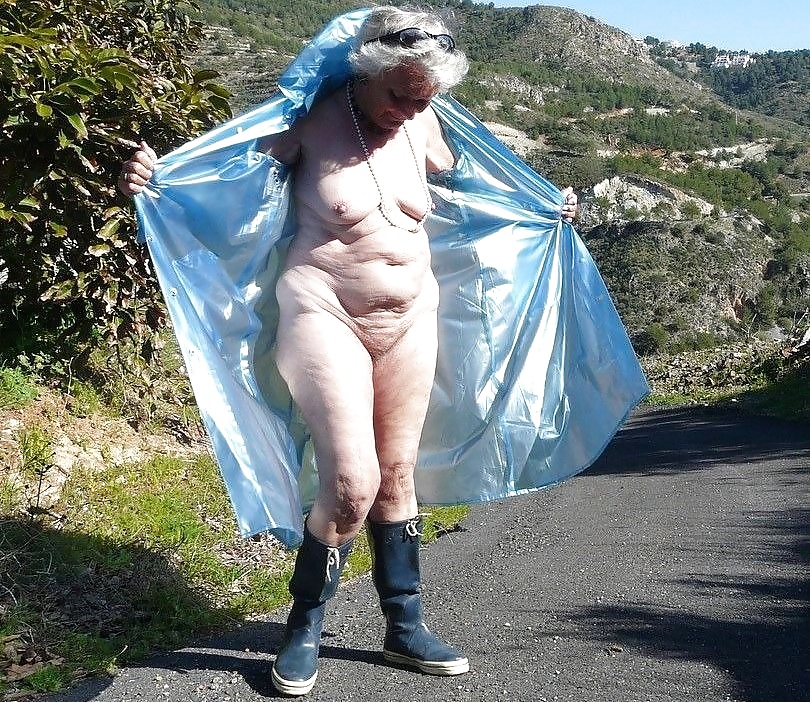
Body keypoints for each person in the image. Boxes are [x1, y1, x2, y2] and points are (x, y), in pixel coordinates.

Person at [120, 6, 579, 697]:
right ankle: (303, 627)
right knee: (350, 483)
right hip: (323, 309)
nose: (409, 111)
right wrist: (154, 179)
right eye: (399, 95)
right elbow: (220, 188)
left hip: (411, 318)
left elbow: (482, 190)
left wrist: (546, 204)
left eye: (424, 98)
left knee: (396, 476)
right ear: (366, 70)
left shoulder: (426, 122)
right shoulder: (308, 121)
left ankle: (404, 627)